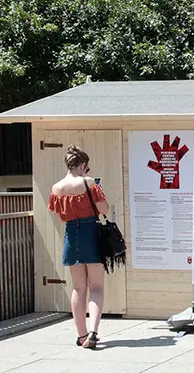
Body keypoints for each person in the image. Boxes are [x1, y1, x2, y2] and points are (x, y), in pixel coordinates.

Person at [49, 146, 109, 349]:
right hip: (91, 233)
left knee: (78, 288)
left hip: (71, 237)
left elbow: (59, 215)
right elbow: (103, 209)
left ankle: (81, 335)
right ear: (83, 165)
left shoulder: (57, 188)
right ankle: (93, 331)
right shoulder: (89, 183)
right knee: (97, 287)